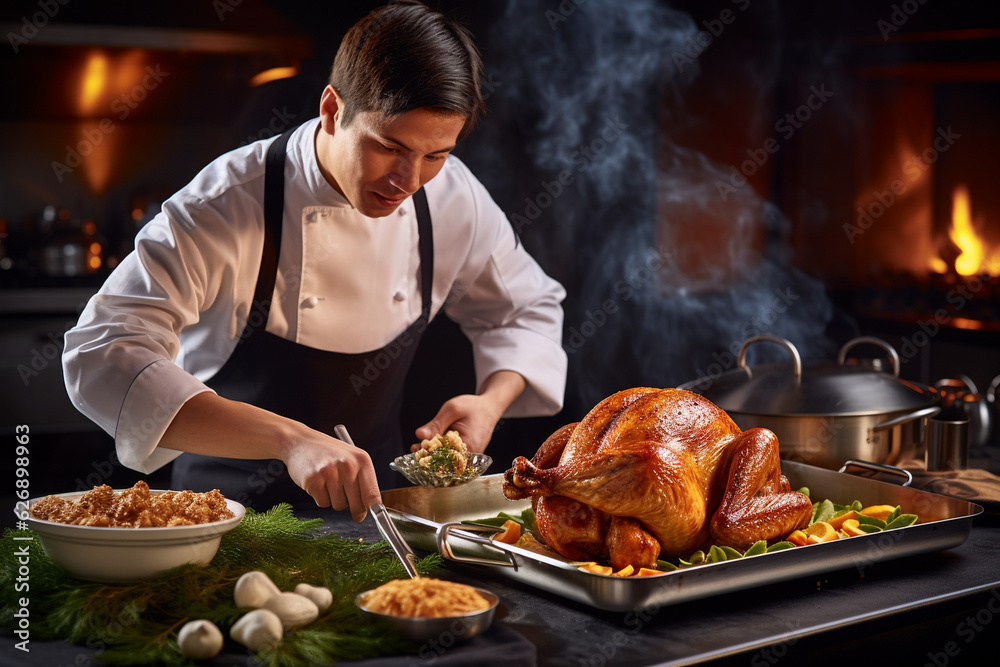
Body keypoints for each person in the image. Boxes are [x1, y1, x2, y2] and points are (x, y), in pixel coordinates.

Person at [62, 1, 567, 522]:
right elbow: (103, 354)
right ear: (332, 110)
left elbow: (526, 308)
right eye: (389, 146)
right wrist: (290, 439)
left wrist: (490, 403)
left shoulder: (451, 197)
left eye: (435, 154)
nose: (409, 180)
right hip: (226, 522)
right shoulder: (226, 203)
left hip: (378, 525)